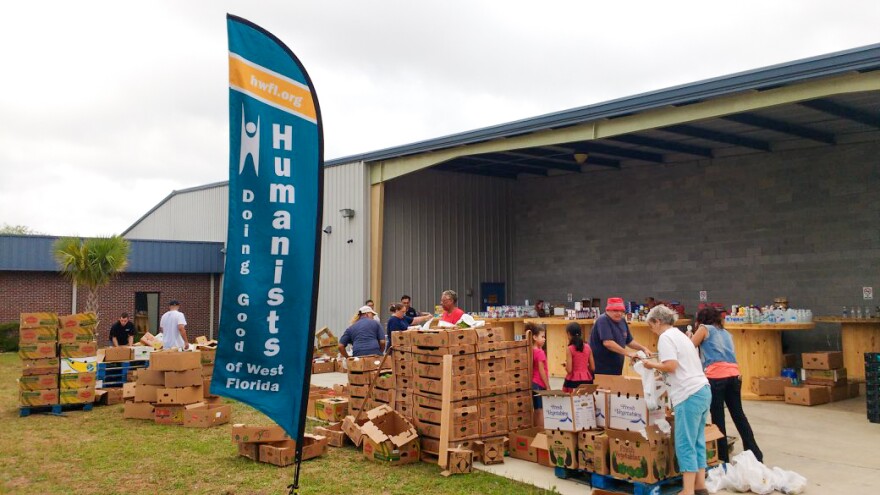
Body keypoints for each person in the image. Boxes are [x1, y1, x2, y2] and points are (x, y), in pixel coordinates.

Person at [640, 305, 711, 495]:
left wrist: (649, 365)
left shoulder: (665, 338)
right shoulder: (681, 336)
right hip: (702, 390)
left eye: (651, 326)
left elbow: (670, 365)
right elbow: (679, 367)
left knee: (684, 443)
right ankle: (699, 486)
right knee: (697, 440)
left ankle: (687, 491)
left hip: (688, 395)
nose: (652, 330)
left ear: (658, 321)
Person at [691, 306, 763, 463]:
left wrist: (689, 335)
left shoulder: (704, 328)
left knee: (718, 416)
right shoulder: (726, 333)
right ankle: (755, 453)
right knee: (738, 415)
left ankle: (722, 455)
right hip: (734, 376)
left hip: (716, 377)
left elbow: (690, 346)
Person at [588, 297, 650, 375]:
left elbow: (629, 341)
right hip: (601, 368)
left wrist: (643, 348)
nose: (619, 313)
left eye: (621, 311)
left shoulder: (622, 320)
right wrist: (629, 353)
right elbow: (608, 343)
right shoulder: (603, 320)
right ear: (607, 310)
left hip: (615, 367)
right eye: (615, 310)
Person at [563, 322, 595, 392]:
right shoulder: (588, 347)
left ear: (568, 334)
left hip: (573, 380)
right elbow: (592, 368)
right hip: (587, 378)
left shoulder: (570, 348)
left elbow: (569, 370)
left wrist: (566, 365)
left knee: (571, 400)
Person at [529, 322, 549, 428]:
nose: (544, 339)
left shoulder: (532, 350)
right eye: (542, 336)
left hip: (533, 383)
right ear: (535, 337)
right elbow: (542, 371)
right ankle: (541, 432)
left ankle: (535, 429)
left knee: (536, 409)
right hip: (539, 384)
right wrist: (547, 386)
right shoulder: (540, 353)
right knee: (540, 410)